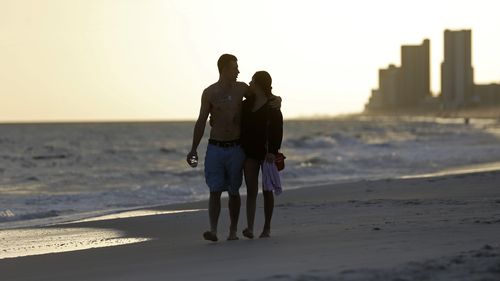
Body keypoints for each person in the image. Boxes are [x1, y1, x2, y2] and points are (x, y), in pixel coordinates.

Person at [187, 54, 281, 242]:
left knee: (234, 191)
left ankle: (233, 231)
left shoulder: (242, 89)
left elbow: (262, 95)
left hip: (236, 147)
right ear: (224, 69)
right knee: (214, 190)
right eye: (234, 68)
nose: (238, 71)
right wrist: (193, 148)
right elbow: (201, 121)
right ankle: (213, 230)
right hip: (215, 146)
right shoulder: (209, 92)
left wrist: (277, 99)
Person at [240, 71, 283, 239]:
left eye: (252, 81)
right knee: (251, 190)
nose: (250, 84)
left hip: (266, 155)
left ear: (258, 84)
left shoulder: (272, 105)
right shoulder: (247, 104)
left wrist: (273, 151)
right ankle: (249, 228)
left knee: (267, 191)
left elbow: (278, 130)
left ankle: (267, 228)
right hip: (249, 153)